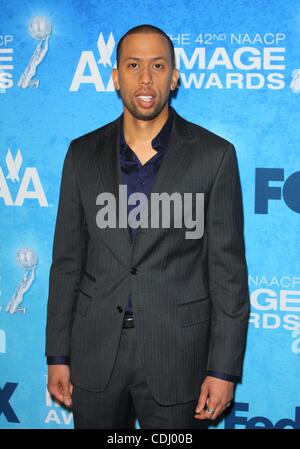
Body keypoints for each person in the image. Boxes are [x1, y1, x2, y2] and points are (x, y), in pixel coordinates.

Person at [46, 24, 250, 429]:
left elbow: (228, 274)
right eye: (133, 65)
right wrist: (58, 355)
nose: (145, 78)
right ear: (115, 76)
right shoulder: (81, 154)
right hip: (95, 354)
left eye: (158, 65)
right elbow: (67, 263)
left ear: (174, 77)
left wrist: (224, 370)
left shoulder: (215, 156)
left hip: (179, 356)